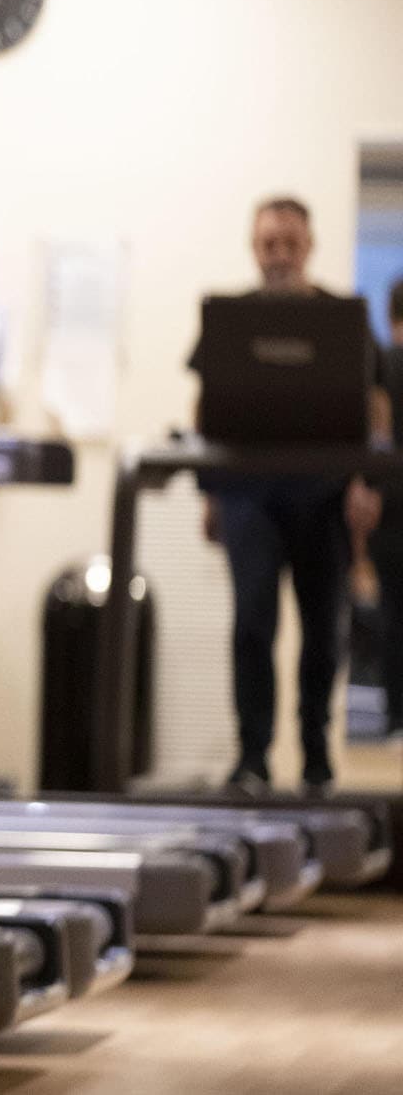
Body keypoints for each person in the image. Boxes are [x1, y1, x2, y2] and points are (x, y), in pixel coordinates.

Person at [196, 197, 384, 797]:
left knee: (323, 631)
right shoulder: (230, 320)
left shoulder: (342, 320)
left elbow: (374, 409)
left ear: (309, 246)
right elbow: (206, 407)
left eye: (290, 243)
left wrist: (366, 482)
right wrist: (209, 494)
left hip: (323, 496)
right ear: (255, 248)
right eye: (268, 243)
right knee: (253, 623)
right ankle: (252, 757)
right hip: (248, 495)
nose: (279, 254)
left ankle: (315, 757)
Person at [366, 279, 403, 739]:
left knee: (395, 616)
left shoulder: (381, 365)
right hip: (391, 510)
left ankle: (397, 716)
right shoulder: (383, 364)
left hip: (389, 510)